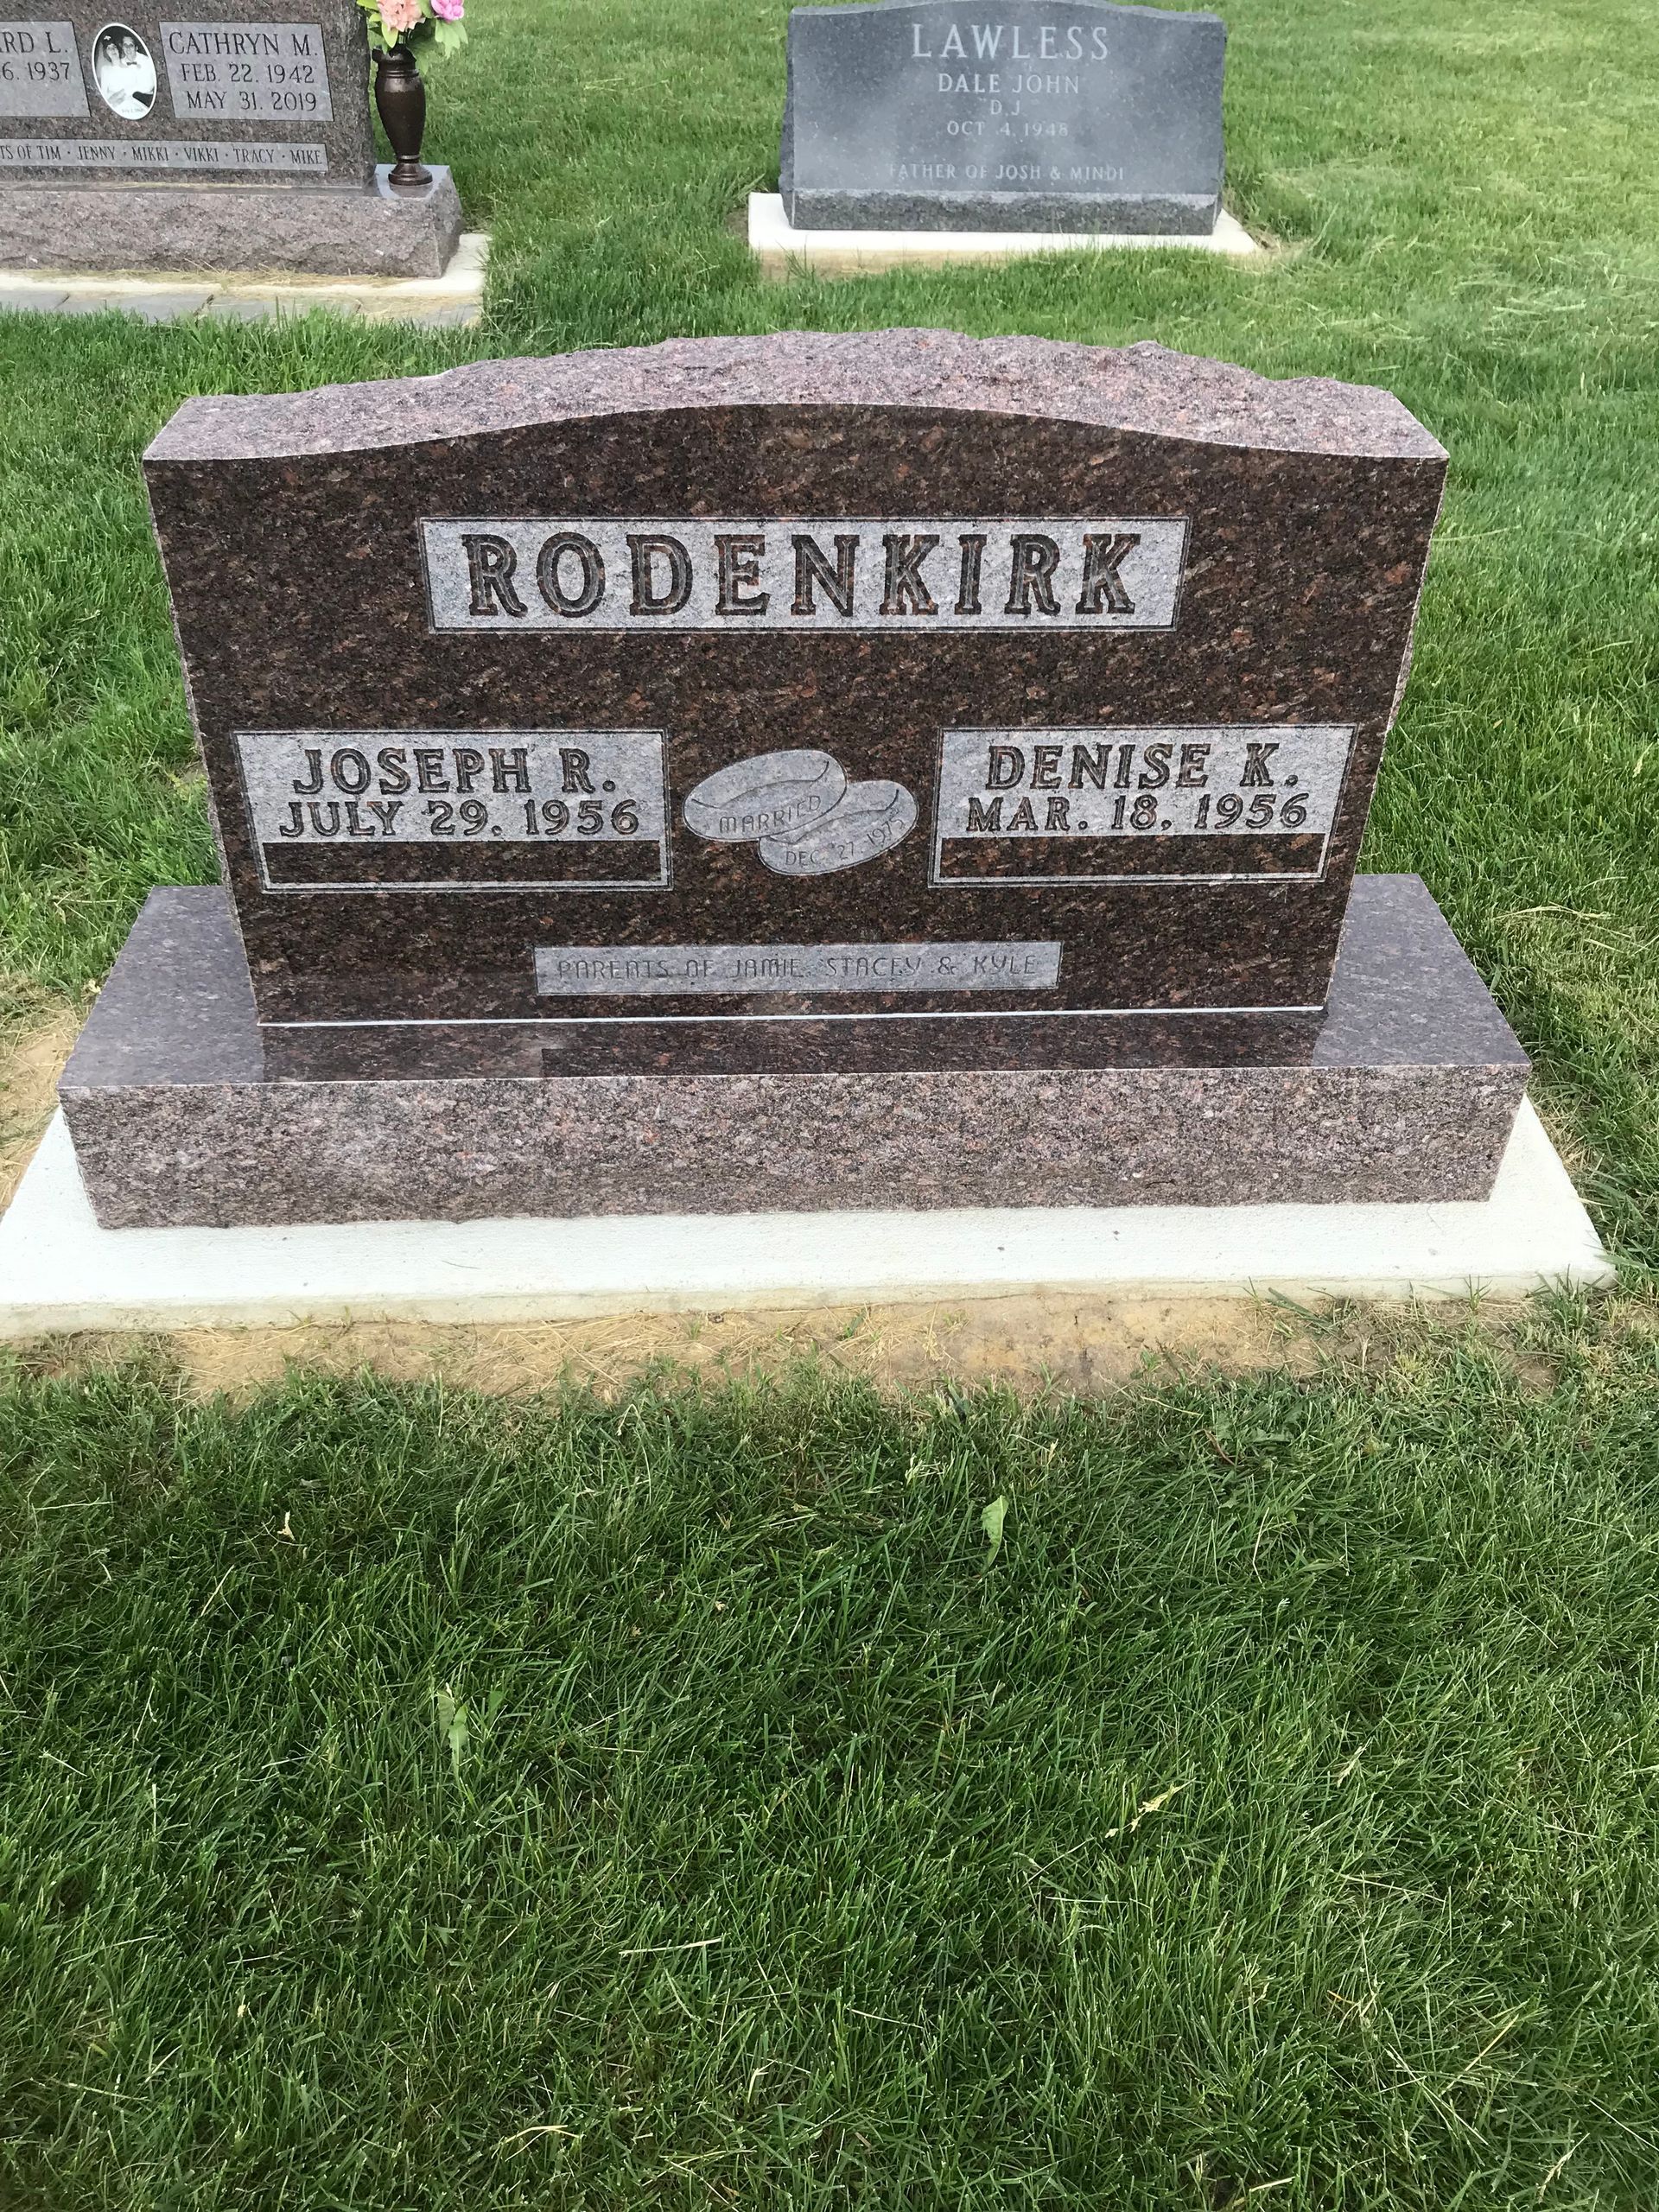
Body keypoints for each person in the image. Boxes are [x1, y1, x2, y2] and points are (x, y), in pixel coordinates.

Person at [92, 26, 156, 119]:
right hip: (114, 105)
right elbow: (104, 96)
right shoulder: (106, 69)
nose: (113, 50)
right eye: (109, 48)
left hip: (134, 101)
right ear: (106, 53)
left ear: (118, 49)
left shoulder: (132, 66)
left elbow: (144, 87)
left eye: (114, 47)